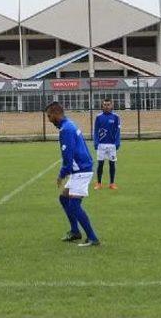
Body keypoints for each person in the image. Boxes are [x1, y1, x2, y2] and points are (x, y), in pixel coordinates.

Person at [46, 101, 100, 247]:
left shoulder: (66, 130)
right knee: (64, 198)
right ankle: (75, 232)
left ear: (56, 114)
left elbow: (68, 159)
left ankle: (93, 238)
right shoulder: (69, 124)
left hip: (81, 171)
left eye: (50, 116)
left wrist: (61, 175)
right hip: (80, 170)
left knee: (74, 206)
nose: (49, 120)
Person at [93, 98, 121, 190]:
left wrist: (117, 142)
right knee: (100, 164)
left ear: (112, 105)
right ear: (102, 106)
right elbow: (96, 131)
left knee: (112, 164)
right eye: (104, 104)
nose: (106, 106)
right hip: (101, 145)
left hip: (112, 145)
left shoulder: (116, 117)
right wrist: (96, 141)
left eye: (108, 104)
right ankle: (99, 183)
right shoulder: (98, 117)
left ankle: (112, 183)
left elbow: (118, 131)